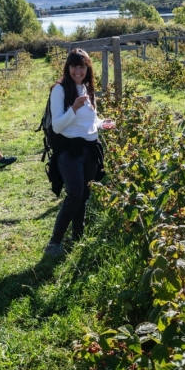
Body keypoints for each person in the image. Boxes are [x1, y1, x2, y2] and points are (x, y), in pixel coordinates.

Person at [44, 49, 115, 257]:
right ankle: (54, 243)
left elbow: (92, 121)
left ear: (87, 68)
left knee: (84, 195)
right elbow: (57, 125)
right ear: (68, 68)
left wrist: (104, 123)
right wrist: (73, 108)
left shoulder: (87, 88)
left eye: (82, 66)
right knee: (74, 194)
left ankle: (78, 237)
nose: (78, 70)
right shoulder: (60, 90)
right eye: (74, 66)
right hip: (69, 149)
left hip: (90, 149)